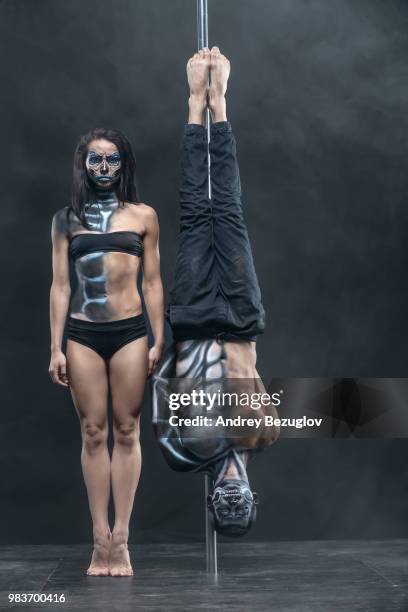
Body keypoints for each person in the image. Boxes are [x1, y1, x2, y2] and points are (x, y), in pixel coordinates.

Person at [153, 47, 279, 537]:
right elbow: (253, 374)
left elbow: (162, 386)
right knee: (225, 209)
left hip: (193, 319)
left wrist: (164, 340)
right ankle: (219, 102)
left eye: (223, 508)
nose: (230, 500)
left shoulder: (184, 450)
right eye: (238, 507)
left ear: (211, 502)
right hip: (241, 316)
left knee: (193, 212)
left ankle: (193, 102)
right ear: (252, 498)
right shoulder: (264, 435)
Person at [49, 127, 164, 576]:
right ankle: (100, 541)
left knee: (127, 428)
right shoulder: (65, 220)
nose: (103, 169)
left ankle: (123, 538)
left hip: (131, 331)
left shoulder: (143, 216)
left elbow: (152, 281)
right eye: (94, 160)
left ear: (124, 165)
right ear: (83, 164)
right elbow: (60, 285)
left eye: (112, 160)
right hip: (82, 333)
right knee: (93, 431)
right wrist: (54, 347)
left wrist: (158, 338)